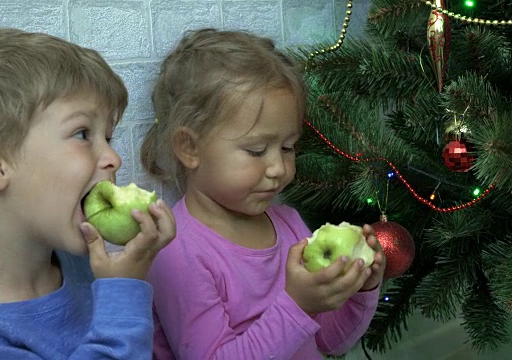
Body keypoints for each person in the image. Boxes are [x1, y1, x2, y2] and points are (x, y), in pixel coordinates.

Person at [141, 28, 386, 359]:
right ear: (190, 147)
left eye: (287, 147)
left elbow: (329, 342)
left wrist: (360, 289)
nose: (278, 168)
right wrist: (297, 306)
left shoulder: (288, 224)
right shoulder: (178, 251)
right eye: (257, 150)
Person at [0, 28, 176, 359]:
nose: (114, 158)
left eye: (108, 138)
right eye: (82, 134)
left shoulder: (80, 266)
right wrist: (124, 293)